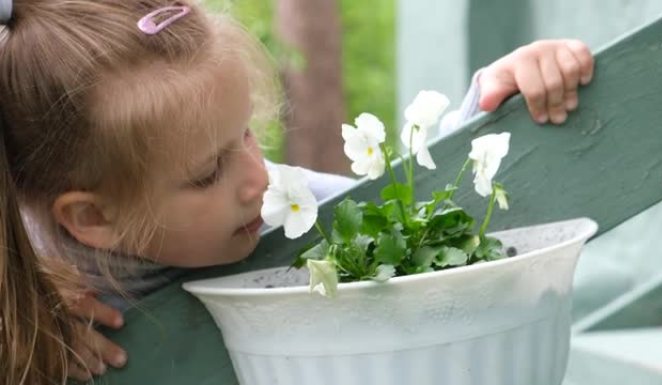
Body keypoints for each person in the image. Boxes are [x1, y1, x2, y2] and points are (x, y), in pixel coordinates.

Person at [0, 0, 593, 382]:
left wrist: (493, 99)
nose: (258, 179)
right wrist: (20, 331)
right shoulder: (37, 296)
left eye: (250, 135)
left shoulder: (284, 203)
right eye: (208, 173)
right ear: (91, 219)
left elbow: (409, 216)